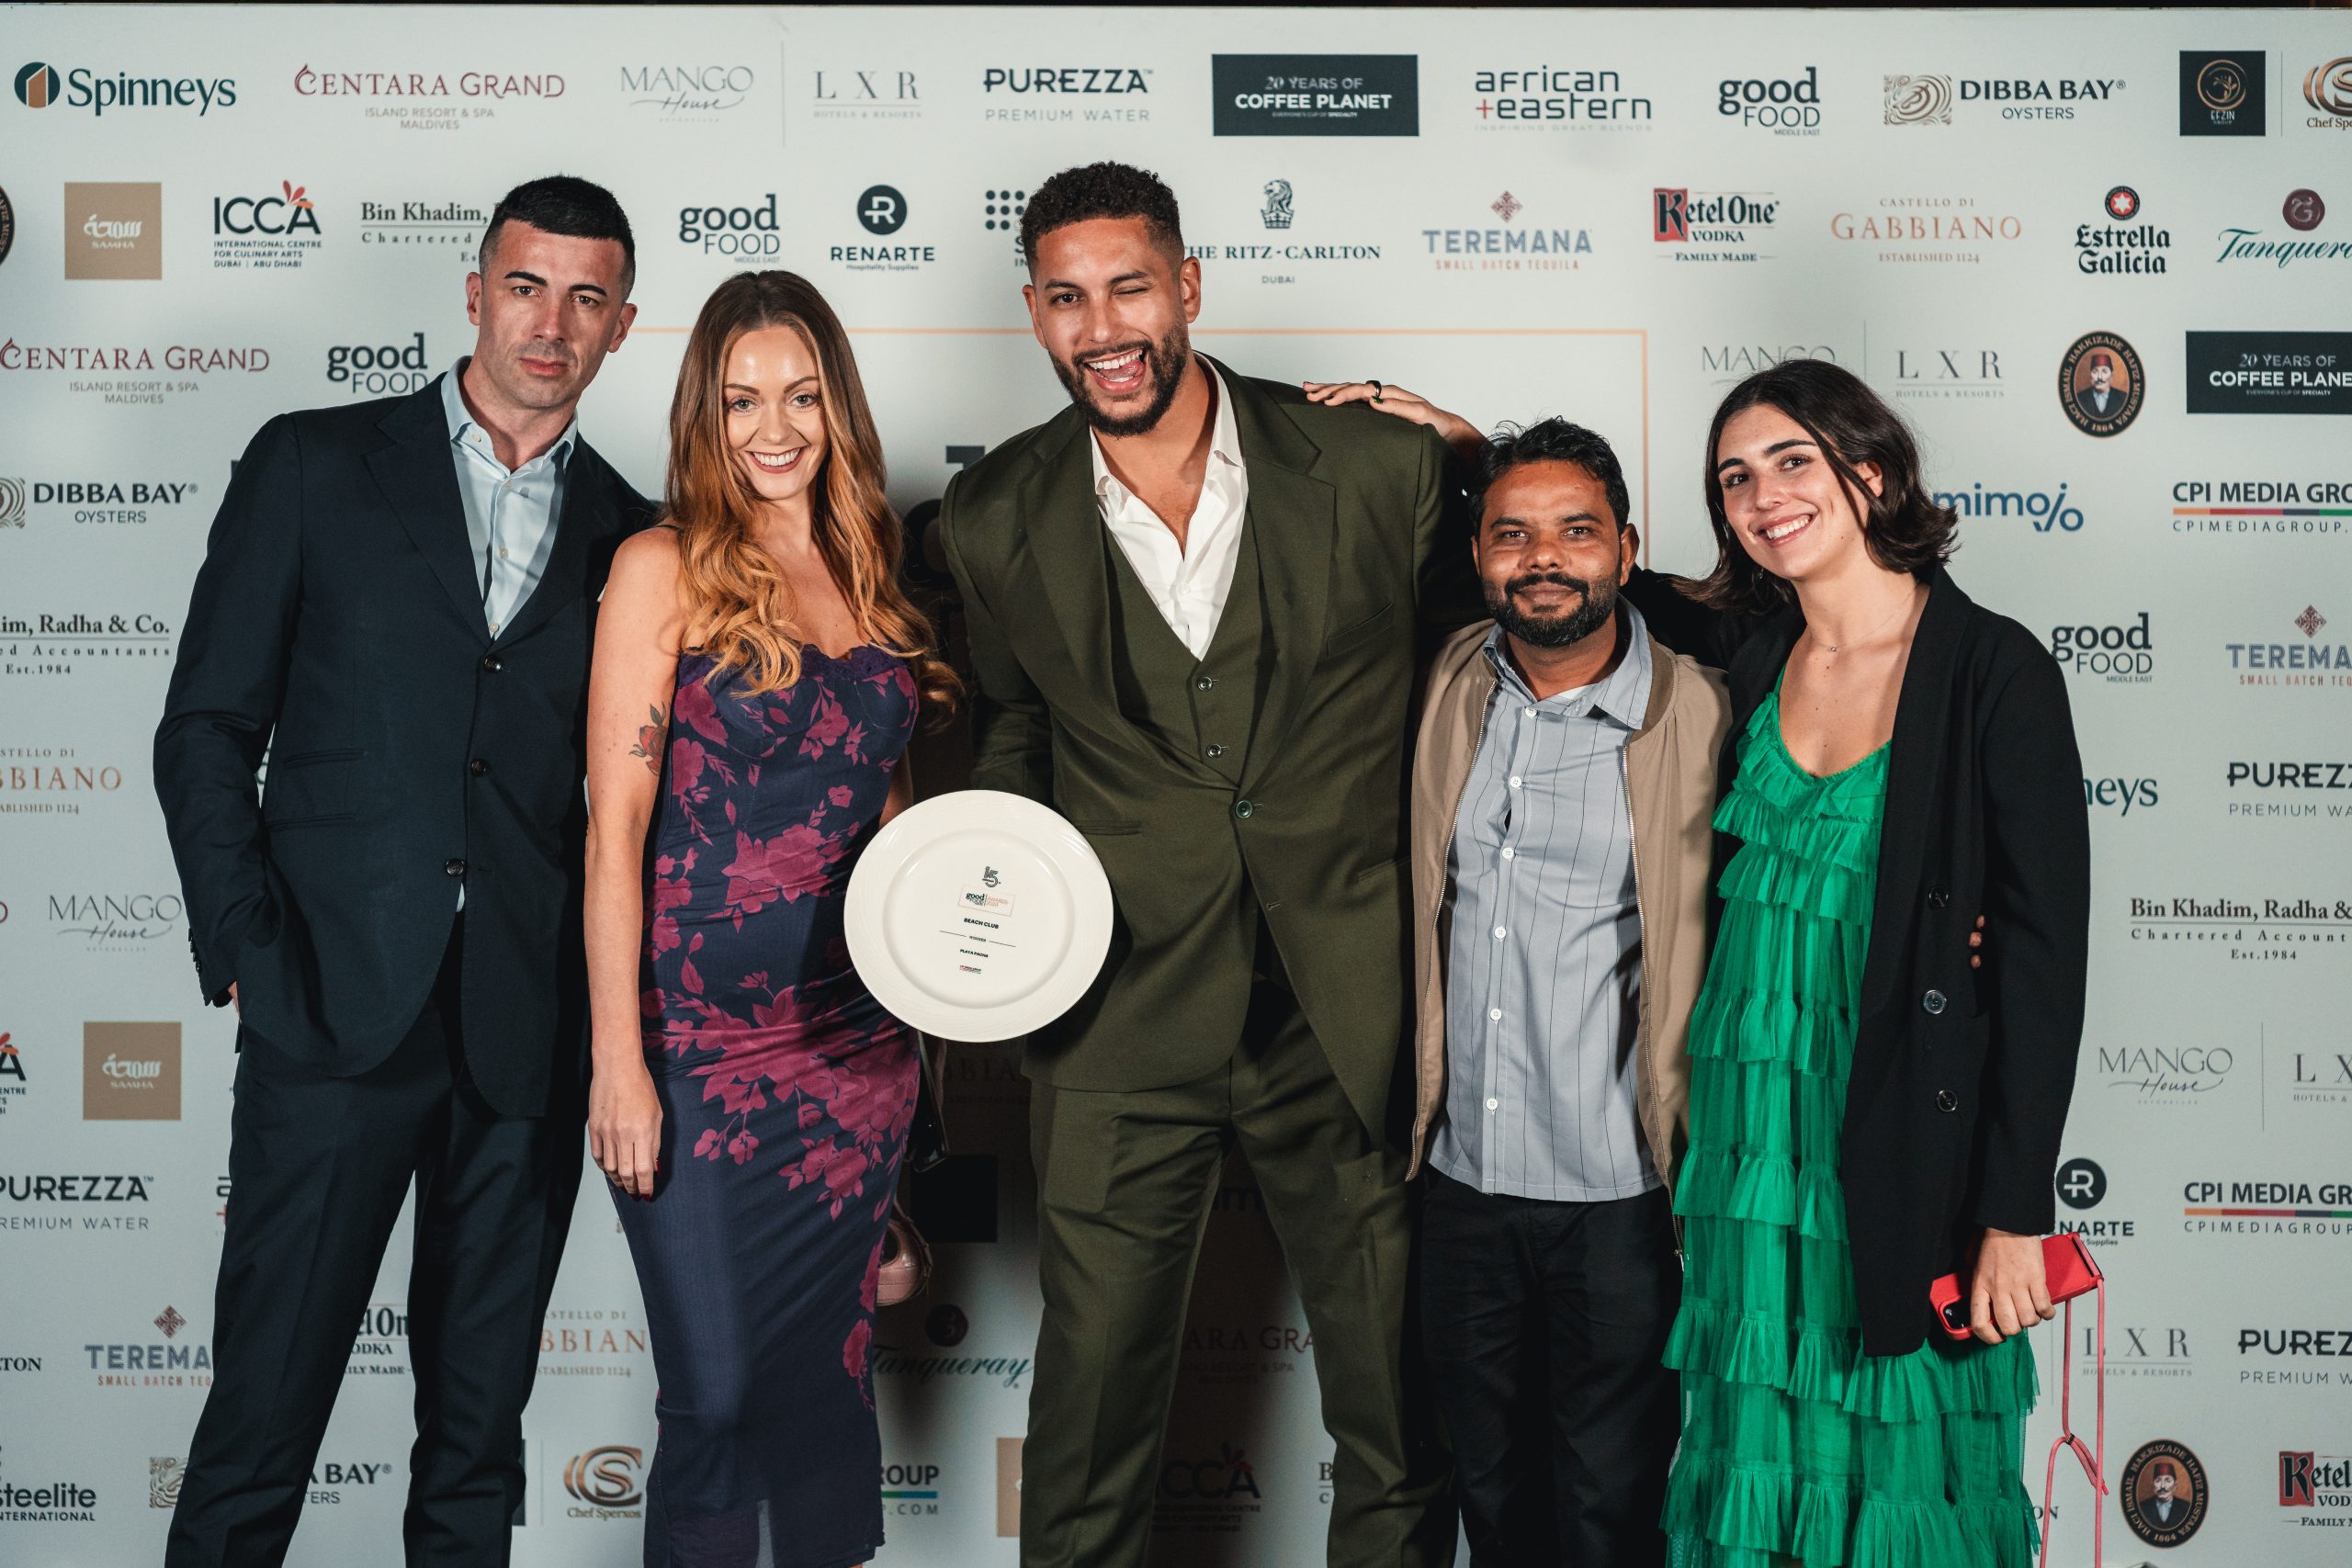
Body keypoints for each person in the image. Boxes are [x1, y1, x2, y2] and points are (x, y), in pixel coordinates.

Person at [937, 161, 1471, 1568]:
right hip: (1115, 1010)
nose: (1101, 326)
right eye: (1066, 298)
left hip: (1349, 1007)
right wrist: (996, 894)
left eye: (1128, 287)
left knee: (1396, 1414)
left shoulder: (1378, 466)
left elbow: (1521, 653)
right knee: (1089, 1425)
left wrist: (1480, 455)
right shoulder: (991, 513)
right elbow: (1012, 722)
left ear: (1186, 287)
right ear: (1035, 314)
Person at [153, 175, 650, 1567]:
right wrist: (247, 944)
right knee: (260, 1426)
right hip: (329, 1008)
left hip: (524, 1037)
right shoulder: (315, 462)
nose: (551, 323)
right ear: (475, 290)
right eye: (526, 286)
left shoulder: (638, 537)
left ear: (622, 325)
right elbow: (206, 727)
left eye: (588, 298)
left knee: (476, 1453)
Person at [1659, 358, 2087, 1567]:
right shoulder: (1750, 653)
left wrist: (2013, 1214)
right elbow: (1580, 567)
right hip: (1751, 1140)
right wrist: (1467, 451)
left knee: (1905, 1456)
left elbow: (2044, 964)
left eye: (1792, 461)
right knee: (1759, 1446)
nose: (1764, 495)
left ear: (1874, 470)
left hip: (1905, 1129)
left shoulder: (1994, 669)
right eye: (1735, 477)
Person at [582, 270, 954, 1568]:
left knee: (820, 1384)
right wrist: (618, 1062)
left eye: (800, 395)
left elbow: (895, 834)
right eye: (742, 400)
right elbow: (614, 833)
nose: (774, 426)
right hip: (695, 1050)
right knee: (719, 1394)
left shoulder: (869, 568)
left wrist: (919, 1089)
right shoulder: (660, 565)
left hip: (857, 1052)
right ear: (706, 414)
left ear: (837, 406)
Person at [1401, 418, 1727, 1567]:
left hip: (1618, 1198)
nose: (1543, 558)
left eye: (1576, 532)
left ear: (1627, 551)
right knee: (1491, 1508)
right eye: (1512, 535)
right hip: (1460, 1189)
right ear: (1477, 556)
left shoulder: (1706, 714)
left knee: (1606, 1516)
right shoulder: (1445, 682)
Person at [2074, 351, 2122, 422]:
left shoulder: (2122, 398)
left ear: (2112, 376)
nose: (2099, 377)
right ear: (2090, 376)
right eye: (2095, 371)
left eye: (2104, 371)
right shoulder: (2079, 398)